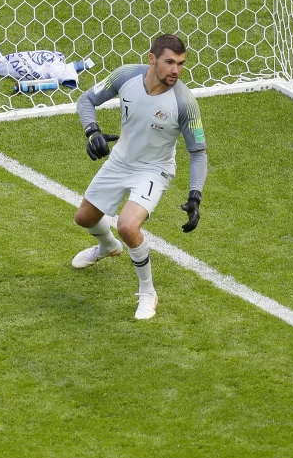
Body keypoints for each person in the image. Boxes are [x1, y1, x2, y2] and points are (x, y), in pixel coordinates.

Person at [71, 34, 207, 320]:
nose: (176, 70)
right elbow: (86, 100)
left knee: (127, 226)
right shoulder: (125, 77)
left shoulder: (184, 103)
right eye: (170, 62)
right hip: (121, 160)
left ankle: (148, 293)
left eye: (181, 64)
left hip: (154, 170)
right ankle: (108, 247)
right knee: (84, 218)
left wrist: (195, 195)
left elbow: (198, 152)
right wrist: (92, 131)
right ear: (152, 59)